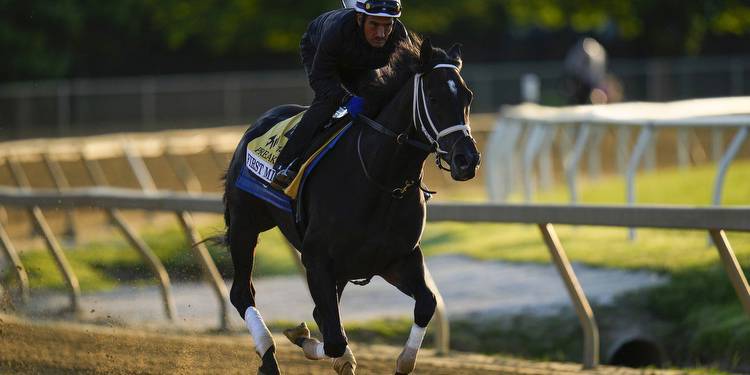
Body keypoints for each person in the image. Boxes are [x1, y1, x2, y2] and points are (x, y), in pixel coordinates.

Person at [270, 0, 409, 190]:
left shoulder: (399, 35)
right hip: (320, 52)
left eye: (387, 26)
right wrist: (346, 99)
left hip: (360, 63)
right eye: (374, 25)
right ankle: (285, 164)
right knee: (327, 104)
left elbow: (406, 79)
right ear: (360, 18)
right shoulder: (337, 30)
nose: (381, 34)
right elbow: (320, 78)